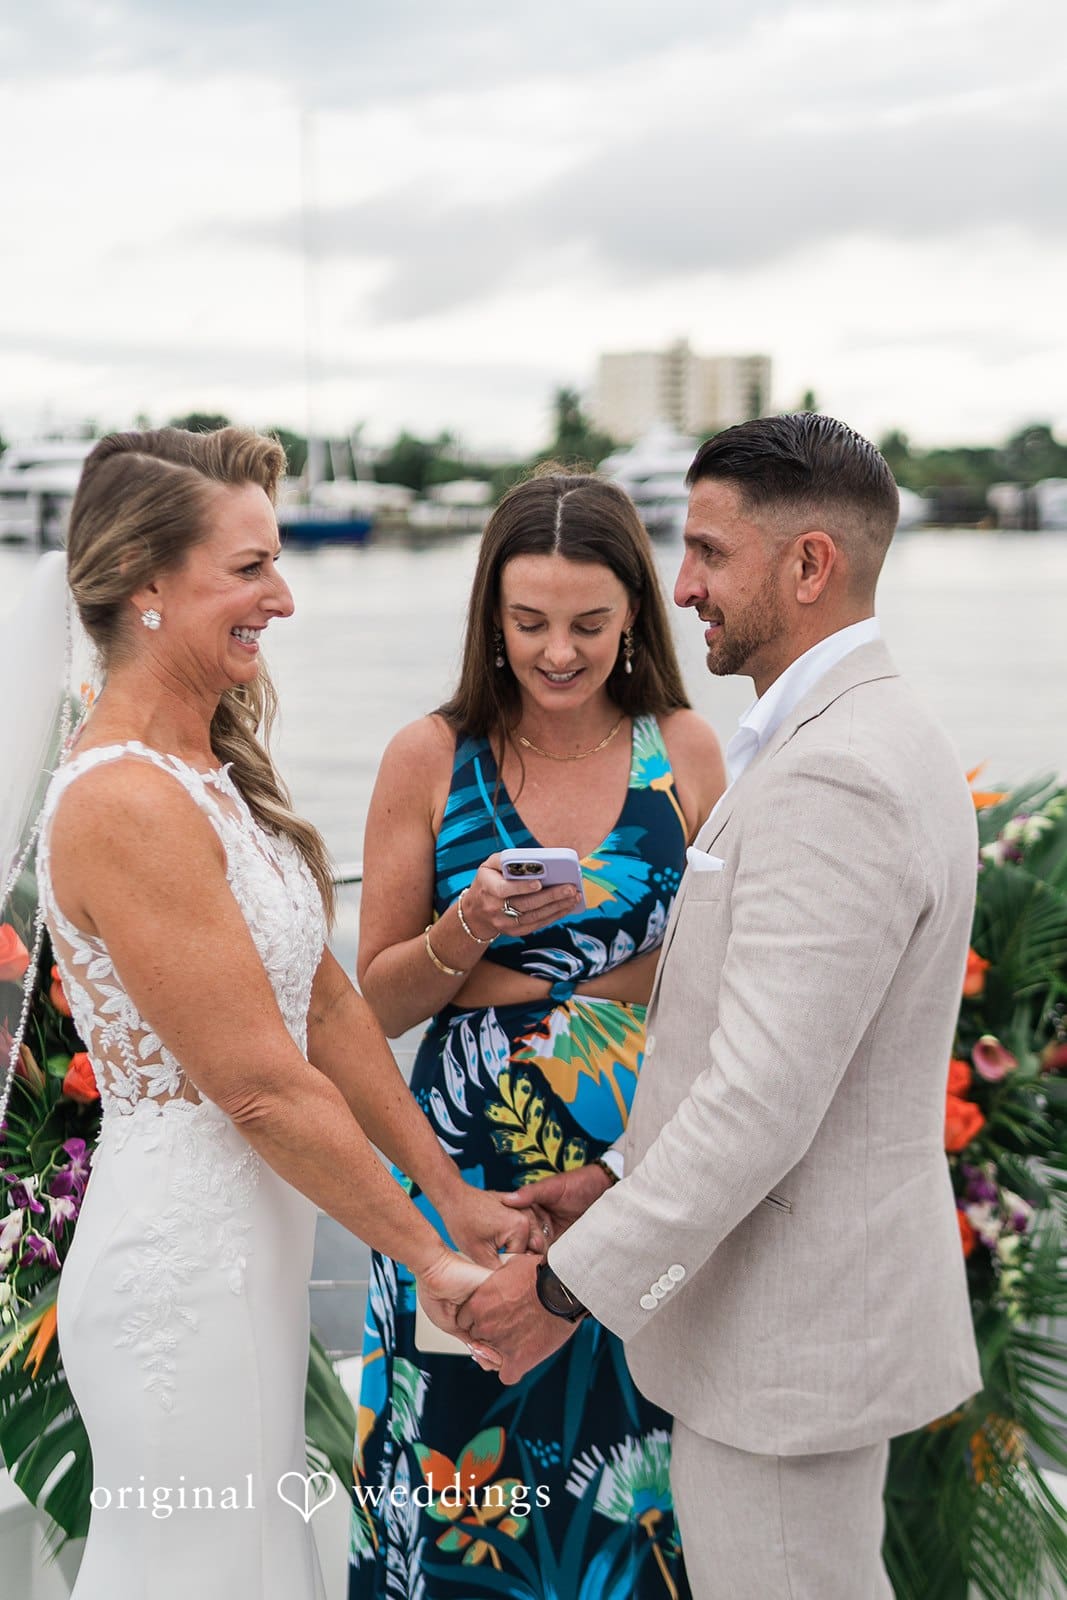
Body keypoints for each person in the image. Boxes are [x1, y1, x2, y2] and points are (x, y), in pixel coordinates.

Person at [460, 416, 982, 1599]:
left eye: (705, 552)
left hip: (785, 1355)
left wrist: (563, 1287)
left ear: (807, 565)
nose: (679, 585)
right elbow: (777, 1057)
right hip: (793, 1333)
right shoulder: (849, 735)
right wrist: (612, 1178)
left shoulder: (833, 771)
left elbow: (759, 1101)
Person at [24, 427, 535, 1600]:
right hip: (180, 1265)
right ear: (147, 583)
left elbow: (323, 1004)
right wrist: (431, 1264)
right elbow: (256, 1084)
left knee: (252, 1556)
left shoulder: (204, 774)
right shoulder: (127, 805)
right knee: (196, 1567)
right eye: (249, 566)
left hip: (249, 1249)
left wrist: (450, 1195)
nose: (283, 596)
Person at [348, 470, 725, 1599]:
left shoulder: (688, 751)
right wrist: (465, 931)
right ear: (489, 620)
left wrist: (599, 974)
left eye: (587, 624)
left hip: (641, 1184)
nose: (556, 651)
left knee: (628, 1487)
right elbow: (372, 1001)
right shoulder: (430, 754)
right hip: (465, 1184)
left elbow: (733, 967)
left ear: (633, 621)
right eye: (527, 623)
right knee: (464, 1484)